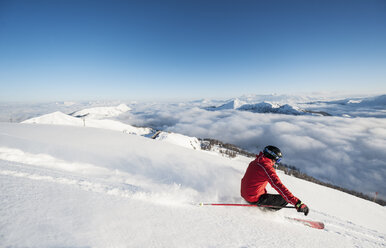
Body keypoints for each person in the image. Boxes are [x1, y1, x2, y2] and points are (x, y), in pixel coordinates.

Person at [241, 145, 309, 215]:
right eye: (278, 160)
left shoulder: (256, 162)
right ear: (273, 157)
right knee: (284, 200)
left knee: (268, 194)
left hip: (245, 195)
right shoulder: (267, 168)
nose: (276, 162)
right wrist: (297, 203)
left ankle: (261, 206)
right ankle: (265, 214)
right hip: (253, 198)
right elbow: (278, 185)